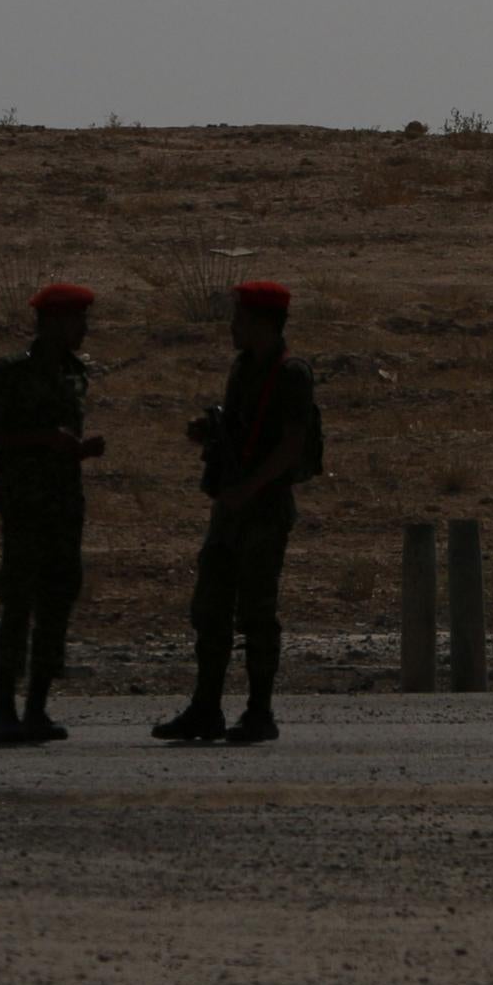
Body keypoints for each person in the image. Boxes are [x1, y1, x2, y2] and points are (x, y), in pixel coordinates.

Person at [154, 279, 317, 745]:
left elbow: (290, 445)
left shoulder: (292, 374)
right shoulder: (244, 368)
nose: (232, 327)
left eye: (241, 319)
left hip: (263, 509)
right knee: (211, 609)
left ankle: (259, 711)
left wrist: (249, 489)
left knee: (257, 613)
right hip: (232, 508)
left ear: (263, 323)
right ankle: (206, 708)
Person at [0, 282, 106, 745]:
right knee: (18, 604)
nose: (83, 329)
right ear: (52, 323)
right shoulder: (11, 373)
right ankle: (3, 707)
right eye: (76, 320)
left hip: (64, 504)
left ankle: (38, 708)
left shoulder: (75, 373)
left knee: (57, 605)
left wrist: (77, 450)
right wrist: (44, 439)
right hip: (25, 505)